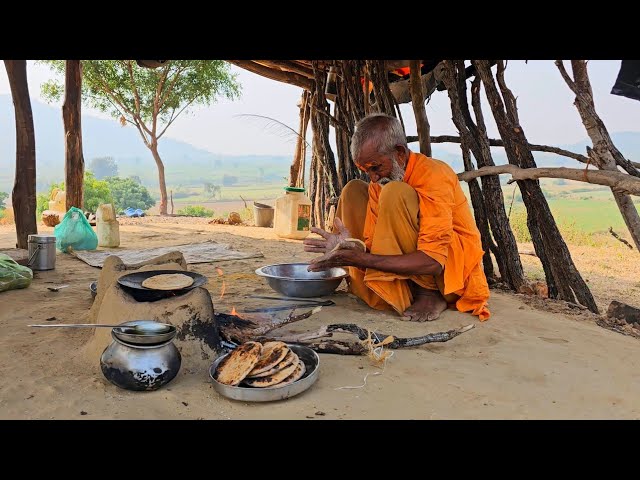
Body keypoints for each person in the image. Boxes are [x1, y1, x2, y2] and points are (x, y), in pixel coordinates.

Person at [303, 113, 490, 322]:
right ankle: (389, 288)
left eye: (376, 167)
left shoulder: (434, 174)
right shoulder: (378, 182)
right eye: (367, 170)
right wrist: (352, 248)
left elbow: (434, 261)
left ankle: (428, 292)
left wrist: (362, 259)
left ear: (400, 153)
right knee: (353, 190)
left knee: (395, 192)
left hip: (446, 276)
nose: (373, 177)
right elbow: (379, 243)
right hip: (407, 264)